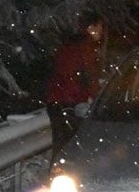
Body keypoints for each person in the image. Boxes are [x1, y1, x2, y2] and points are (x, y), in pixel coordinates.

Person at [45, 12, 105, 158]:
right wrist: (100, 98)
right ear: (91, 27)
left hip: (56, 101)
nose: (101, 32)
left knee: (61, 145)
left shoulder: (71, 44)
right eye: (100, 27)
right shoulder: (86, 47)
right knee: (73, 147)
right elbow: (89, 77)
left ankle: (56, 174)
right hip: (70, 103)